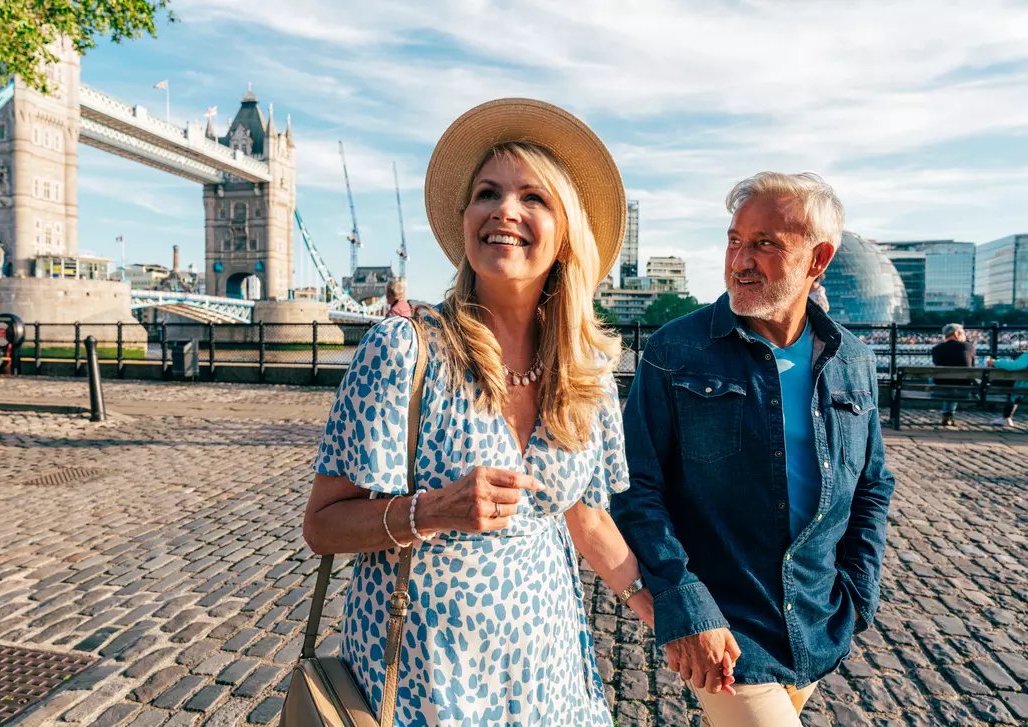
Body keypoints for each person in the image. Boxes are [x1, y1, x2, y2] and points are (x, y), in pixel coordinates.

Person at [303, 99, 652, 726]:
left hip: (548, 677)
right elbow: (323, 525)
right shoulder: (404, 350)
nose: (504, 211)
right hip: (421, 681)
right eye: (487, 193)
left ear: (566, 229)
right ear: (467, 220)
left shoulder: (588, 373)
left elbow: (588, 519)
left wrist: (668, 613)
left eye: (533, 198)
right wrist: (432, 510)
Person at [612, 172, 896, 727]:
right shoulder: (678, 349)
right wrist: (684, 600)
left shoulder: (853, 360)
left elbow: (871, 485)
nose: (741, 259)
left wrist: (859, 592)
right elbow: (634, 486)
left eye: (766, 243)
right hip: (725, 626)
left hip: (815, 621)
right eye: (735, 239)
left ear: (818, 260)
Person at [930, 323, 975, 426]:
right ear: (956, 334)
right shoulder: (969, 347)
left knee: (941, 380)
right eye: (963, 333)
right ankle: (948, 414)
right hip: (963, 392)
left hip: (940, 391)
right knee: (955, 382)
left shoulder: (936, 349)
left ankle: (947, 414)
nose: (965, 336)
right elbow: (972, 367)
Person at [988, 351, 1028, 427]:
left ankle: (1006, 418)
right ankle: (1006, 418)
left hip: (1023, 391)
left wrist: (995, 363)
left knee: (1014, 392)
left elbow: (1014, 365)